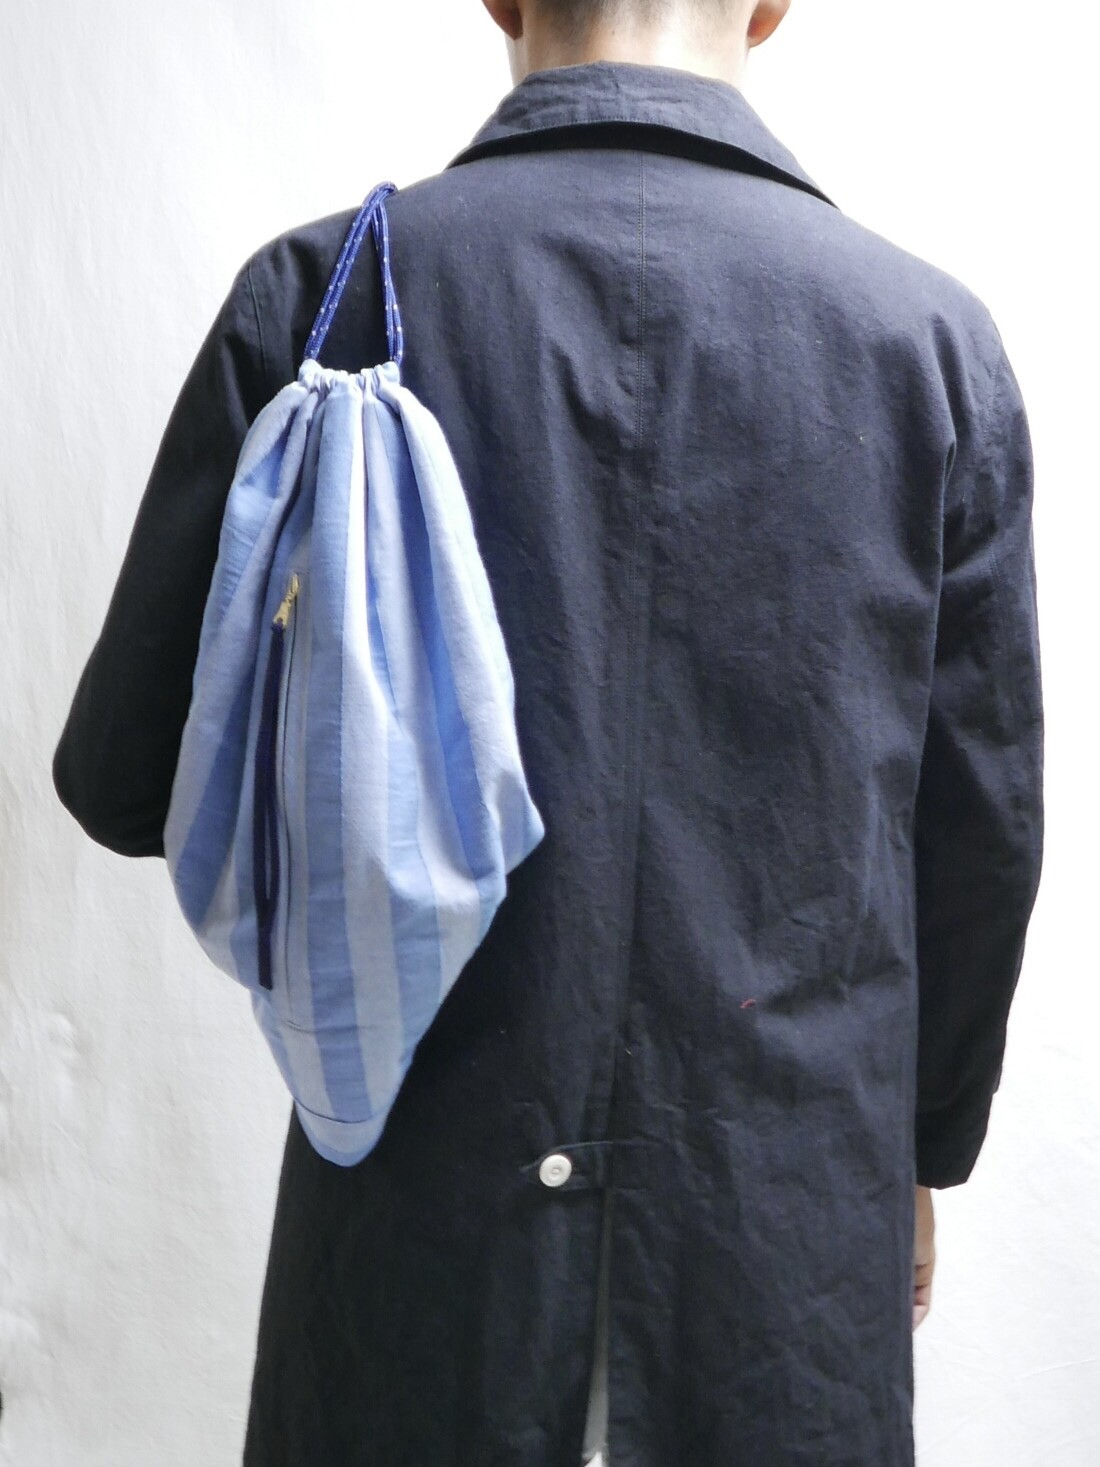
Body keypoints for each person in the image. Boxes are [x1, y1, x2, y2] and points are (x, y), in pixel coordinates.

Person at [51, 1, 1044, 1463]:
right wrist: (921, 1149)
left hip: (418, 1246)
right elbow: (981, 845)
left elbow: (126, 780)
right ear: (772, 5)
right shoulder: (932, 346)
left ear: (501, 0)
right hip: (778, 1249)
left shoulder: (329, 299)